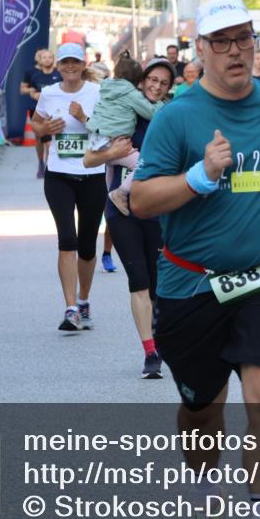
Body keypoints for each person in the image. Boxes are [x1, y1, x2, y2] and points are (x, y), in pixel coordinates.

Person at [129, 0, 260, 519]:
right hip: (191, 286)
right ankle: (207, 505)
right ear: (201, 50)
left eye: (244, 39)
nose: (236, 51)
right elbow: (140, 200)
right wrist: (200, 175)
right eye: (222, 41)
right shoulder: (177, 116)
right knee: (202, 415)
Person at [84, 57, 175, 378]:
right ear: (141, 80)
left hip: (160, 210)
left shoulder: (168, 114)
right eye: (152, 80)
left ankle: (161, 338)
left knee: (159, 285)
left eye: (163, 83)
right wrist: (113, 153)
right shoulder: (124, 110)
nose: (156, 86)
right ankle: (150, 352)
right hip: (121, 210)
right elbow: (88, 159)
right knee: (138, 281)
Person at [30, 43, 105, 332]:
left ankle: (84, 300)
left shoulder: (97, 92)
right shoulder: (49, 93)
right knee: (67, 239)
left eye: (75, 61)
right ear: (58, 66)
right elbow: (36, 125)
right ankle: (70, 308)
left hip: (92, 174)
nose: (70, 66)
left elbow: (110, 129)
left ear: (83, 65)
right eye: (65, 62)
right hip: (59, 175)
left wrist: (84, 118)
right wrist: (46, 130)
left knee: (87, 245)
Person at [84, 58, 164, 216]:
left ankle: (109, 200)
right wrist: (161, 103)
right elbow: (151, 112)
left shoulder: (106, 87)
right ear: (138, 81)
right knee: (143, 163)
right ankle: (120, 193)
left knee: (110, 167)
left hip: (98, 140)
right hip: (115, 141)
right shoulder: (130, 94)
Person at [21, 48, 63, 177]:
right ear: (40, 60)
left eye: (50, 57)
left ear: (54, 59)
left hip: (55, 111)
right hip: (38, 110)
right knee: (39, 138)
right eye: (44, 57)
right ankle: (41, 162)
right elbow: (24, 89)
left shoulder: (59, 74)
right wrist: (33, 93)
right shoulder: (34, 74)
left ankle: (49, 166)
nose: (47, 60)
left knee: (49, 140)